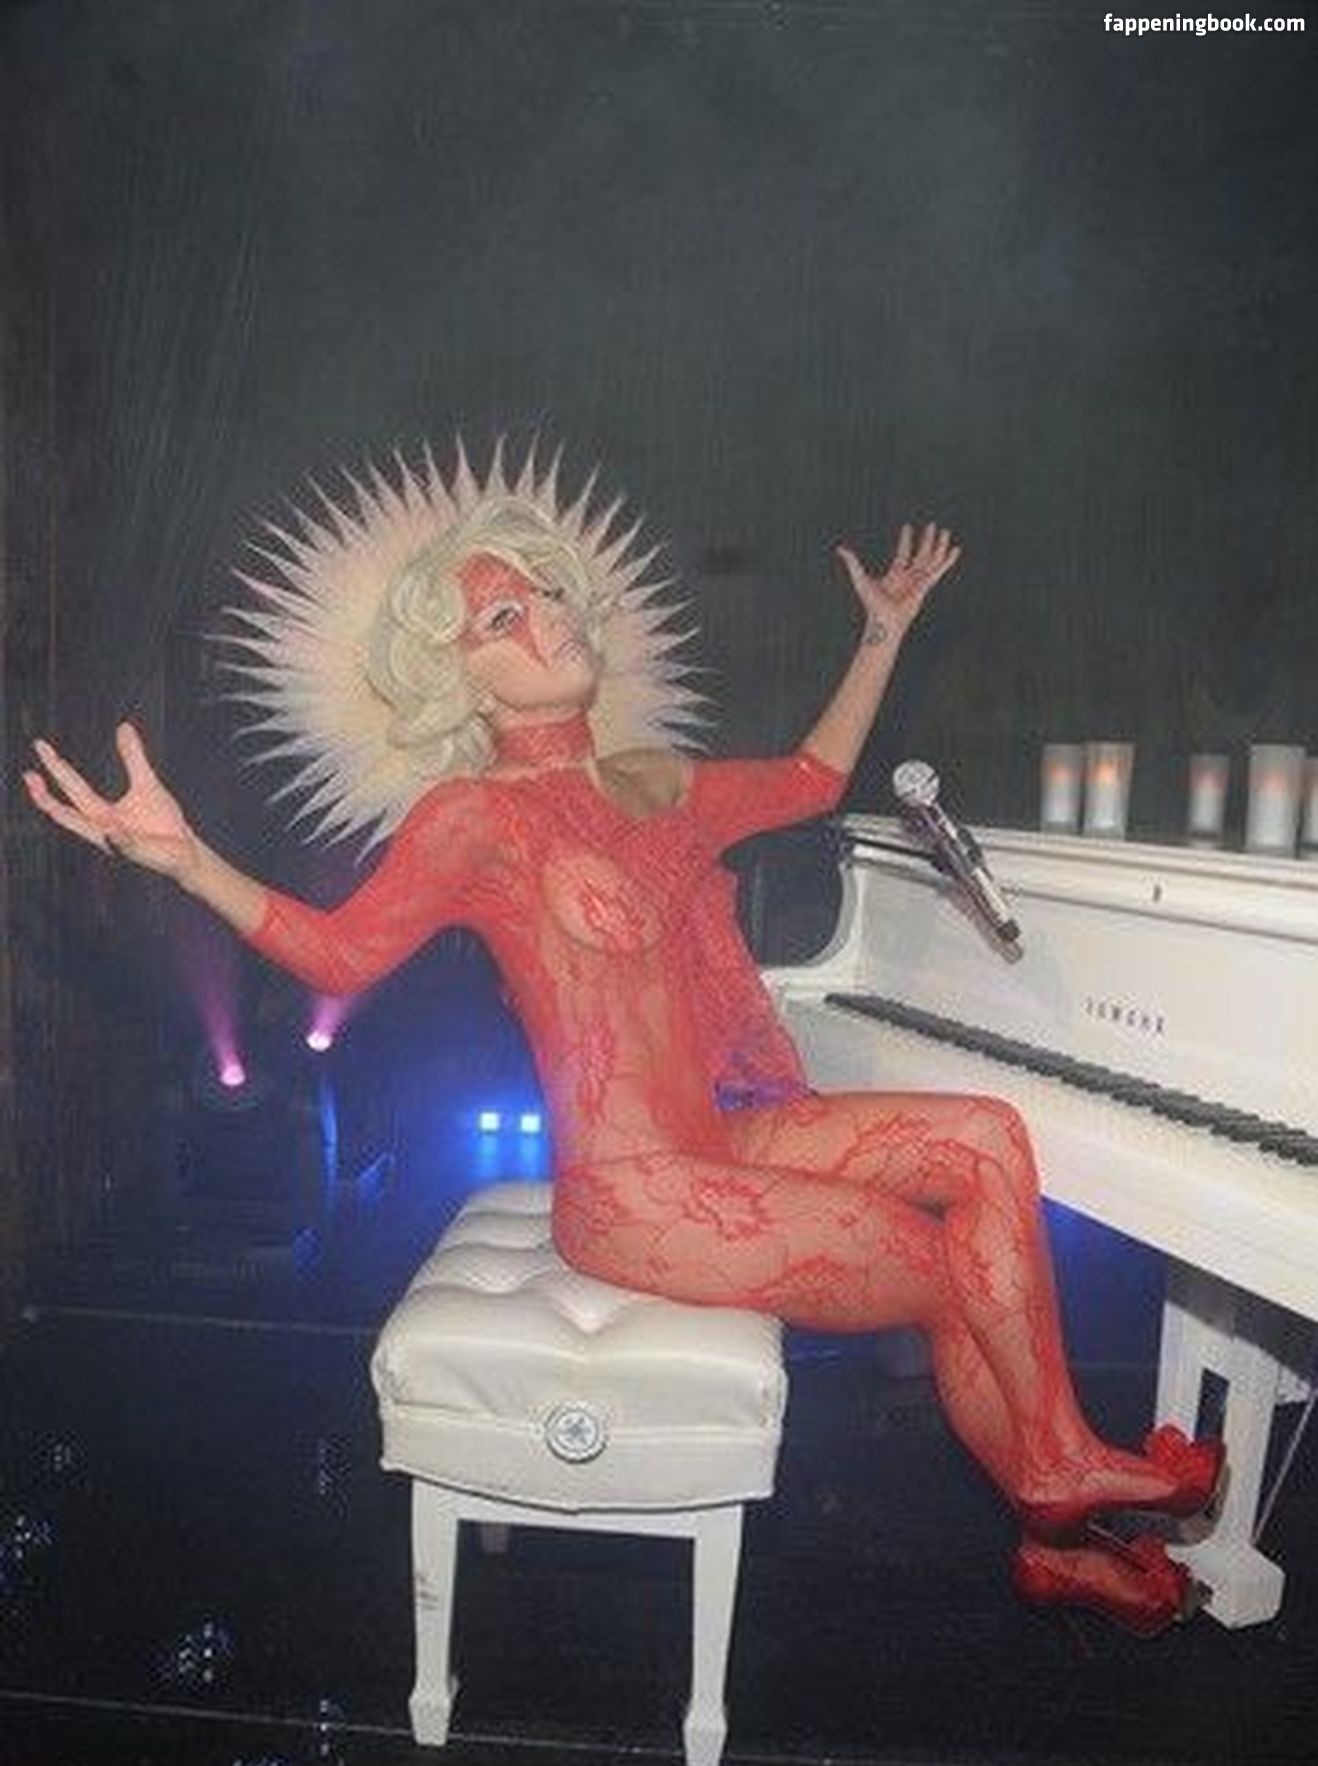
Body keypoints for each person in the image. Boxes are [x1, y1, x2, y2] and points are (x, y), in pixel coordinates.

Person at [24, 449, 1221, 1635]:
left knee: (987, 1141)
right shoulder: (471, 818)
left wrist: (882, 631)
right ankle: (1053, 1483)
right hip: (635, 1195)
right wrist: (187, 862)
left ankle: (1051, 1501)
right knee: (952, 1274)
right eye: (502, 616)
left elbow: (812, 779)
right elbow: (338, 957)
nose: (545, 616)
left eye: (546, 592)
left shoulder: (650, 782)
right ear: (463, 683)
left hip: (724, 1135)